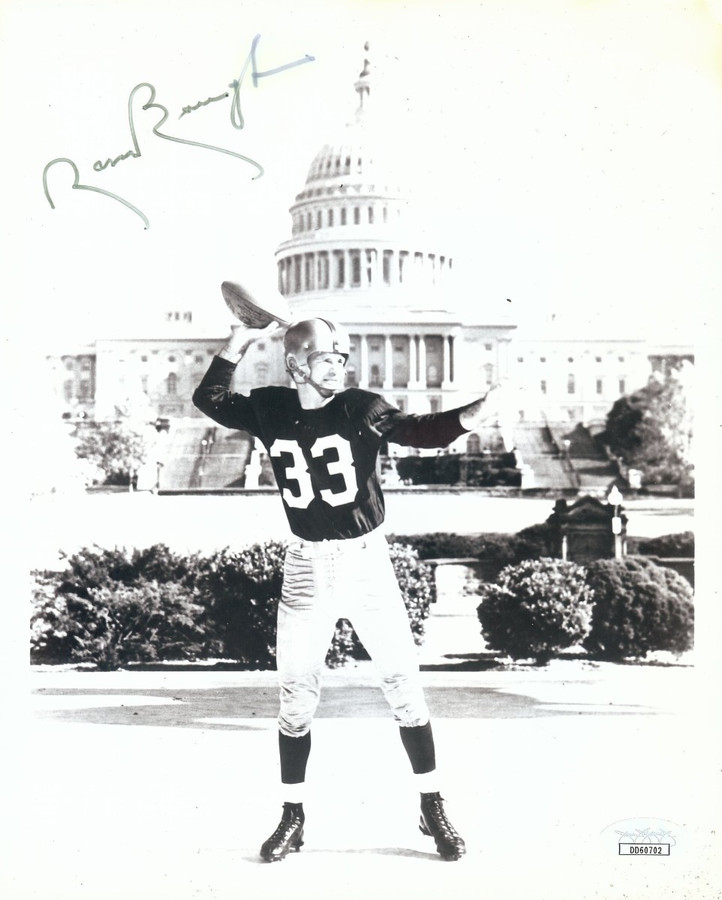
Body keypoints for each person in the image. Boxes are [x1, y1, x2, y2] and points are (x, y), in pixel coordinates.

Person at [192, 316, 502, 863]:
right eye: (328, 360)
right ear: (297, 364)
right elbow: (210, 396)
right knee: (295, 696)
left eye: (342, 360)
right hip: (306, 564)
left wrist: (468, 416)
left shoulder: (361, 407)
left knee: (405, 686)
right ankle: (293, 814)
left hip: (366, 563)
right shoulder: (270, 407)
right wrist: (241, 337)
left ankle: (432, 806)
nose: (339, 368)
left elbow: (418, 430)